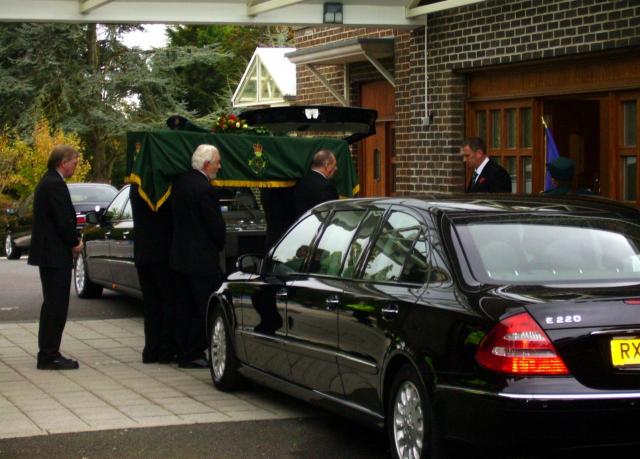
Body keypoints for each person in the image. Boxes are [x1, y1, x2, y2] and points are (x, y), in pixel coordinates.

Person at [170, 144, 226, 369]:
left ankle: (182, 349)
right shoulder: (205, 189)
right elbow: (214, 226)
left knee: (183, 306)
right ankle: (193, 351)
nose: (219, 166)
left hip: (180, 256)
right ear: (206, 165)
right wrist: (220, 243)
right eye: (217, 162)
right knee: (202, 307)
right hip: (201, 260)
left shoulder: (180, 183)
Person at [28, 145, 83, 370]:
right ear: (63, 162)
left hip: (48, 252)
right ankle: (50, 355)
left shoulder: (48, 181)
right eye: (74, 163)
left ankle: (48, 351)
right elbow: (63, 220)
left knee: (52, 304)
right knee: (56, 305)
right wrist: (74, 243)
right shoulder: (55, 185)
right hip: (54, 253)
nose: (75, 167)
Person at [130, 184, 176, 364]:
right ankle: (165, 350)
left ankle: (150, 349)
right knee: (167, 303)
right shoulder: (164, 188)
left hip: (143, 253)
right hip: (162, 254)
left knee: (151, 305)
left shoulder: (136, 186)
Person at [293, 149, 339, 217]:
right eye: (334, 165)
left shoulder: (301, 181)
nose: (336, 168)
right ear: (327, 165)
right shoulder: (326, 187)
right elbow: (332, 214)